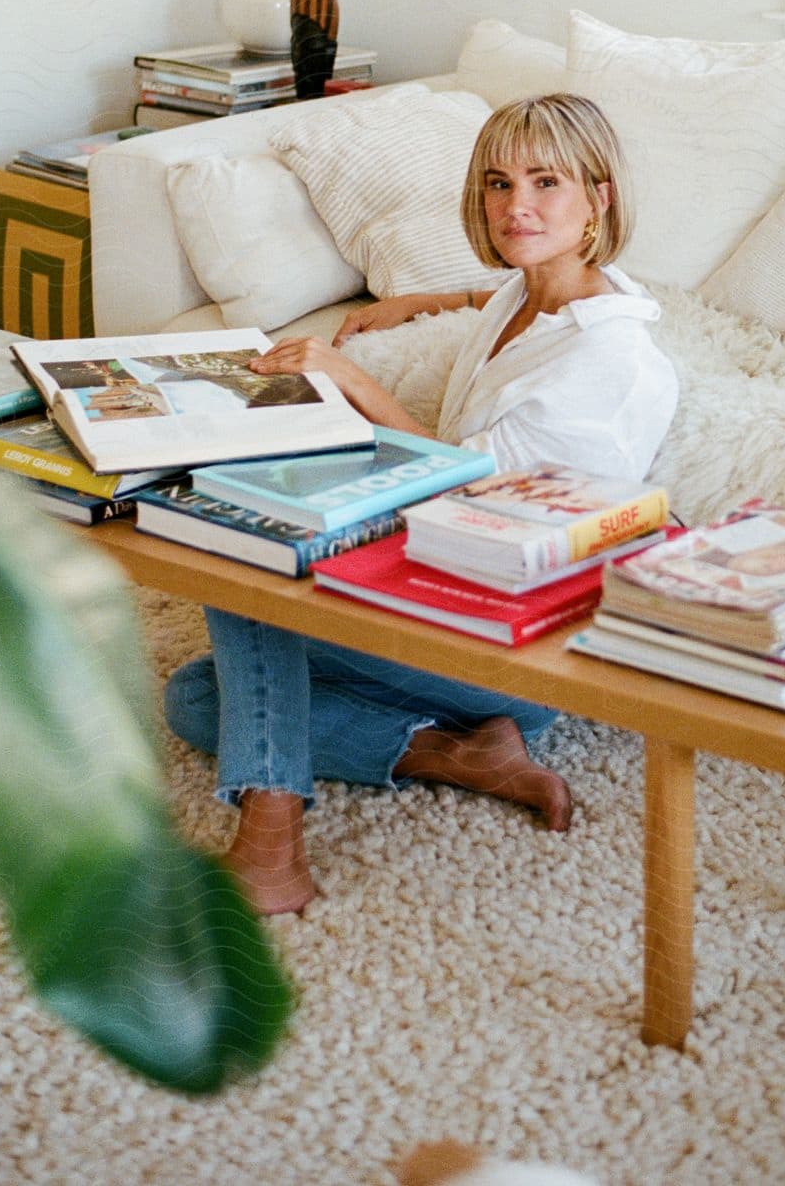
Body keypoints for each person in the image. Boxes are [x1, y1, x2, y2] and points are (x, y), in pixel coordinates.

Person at [164, 94, 678, 914]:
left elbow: (485, 496)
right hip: (450, 583)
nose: (517, 207)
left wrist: (357, 383)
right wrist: (412, 306)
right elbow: (490, 309)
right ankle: (452, 754)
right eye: (499, 183)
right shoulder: (533, 295)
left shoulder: (608, 360)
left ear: (599, 196)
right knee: (193, 695)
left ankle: (272, 840)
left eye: (547, 183)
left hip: (519, 648)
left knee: (249, 581)